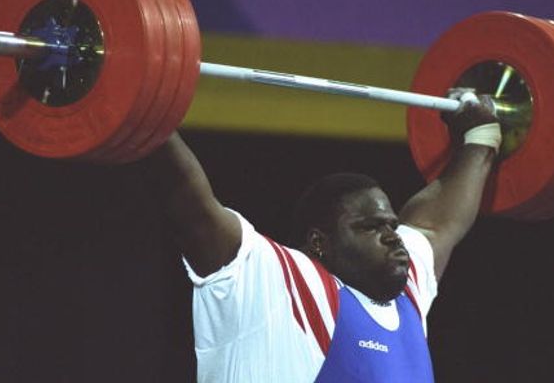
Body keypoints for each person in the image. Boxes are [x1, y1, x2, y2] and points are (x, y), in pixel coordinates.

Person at [139, 90, 500, 382]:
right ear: (318, 243)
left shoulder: (408, 292)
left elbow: (436, 224)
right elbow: (195, 211)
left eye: (391, 225)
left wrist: (481, 136)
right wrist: (145, 105)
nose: (393, 237)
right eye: (370, 226)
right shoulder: (282, 282)